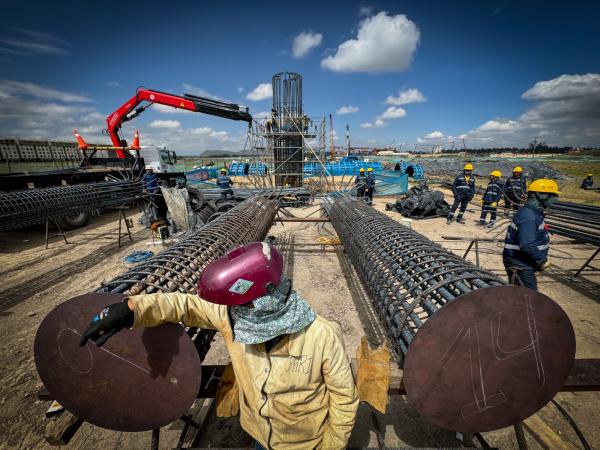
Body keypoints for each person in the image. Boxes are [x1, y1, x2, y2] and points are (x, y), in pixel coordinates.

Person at [79, 242, 359, 449]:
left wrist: (331, 446)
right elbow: (185, 305)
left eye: (240, 307)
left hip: (305, 443)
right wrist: (130, 309)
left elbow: (344, 400)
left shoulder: (322, 335)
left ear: (263, 301)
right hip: (259, 435)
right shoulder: (233, 315)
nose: (233, 314)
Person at [502, 179, 559, 290]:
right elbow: (527, 244)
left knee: (520, 295)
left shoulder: (531, 213)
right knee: (528, 298)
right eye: (552, 196)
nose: (553, 200)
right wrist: (541, 260)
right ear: (542, 195)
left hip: (522, 262)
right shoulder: (529, 217)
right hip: (520, 264)